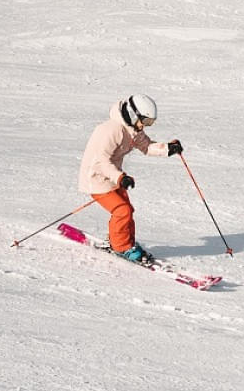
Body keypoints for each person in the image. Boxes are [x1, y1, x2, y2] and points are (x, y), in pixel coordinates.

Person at [78, 94, 181, 264]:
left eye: (149, 123)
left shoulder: (132, 130)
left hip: (113, 177)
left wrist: (168, 148)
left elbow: (146, 146)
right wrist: (120, 177)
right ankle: (121, 247)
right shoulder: (110, 130)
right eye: (145, 121)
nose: (145, 126)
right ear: (134, 115)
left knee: (127, 210)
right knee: (121, 211)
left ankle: (125, 242)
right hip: (95, 178)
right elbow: (101, 161)